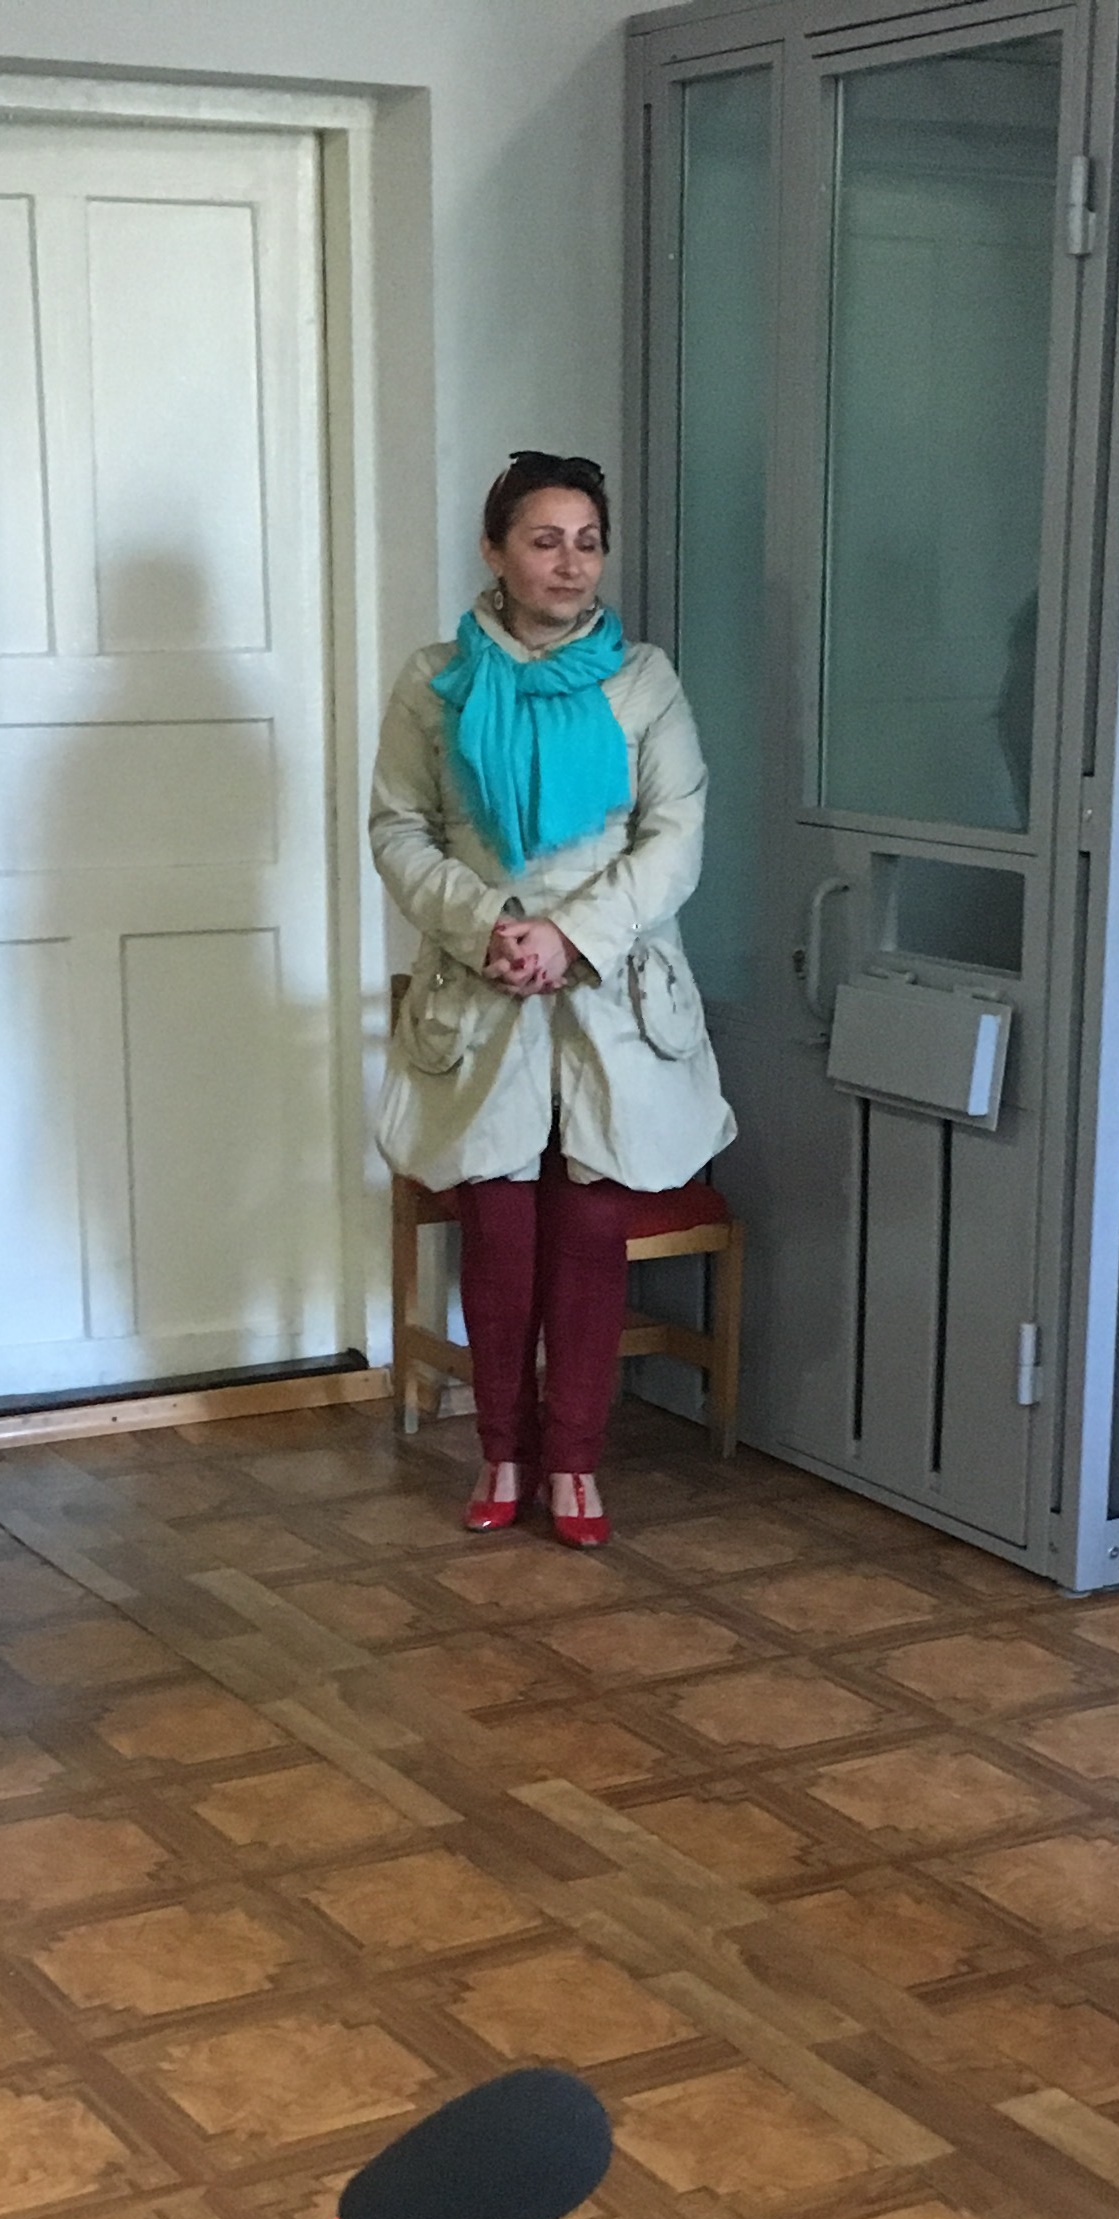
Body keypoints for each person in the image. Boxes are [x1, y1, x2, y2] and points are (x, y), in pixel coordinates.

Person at [369, 450, 735, 1550]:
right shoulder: (433, 680)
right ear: (494, 551)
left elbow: (674, 837)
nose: (570, 564)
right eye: (544, 540)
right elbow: (398, 829)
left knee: (589, 1228)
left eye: (587, 542)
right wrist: (490, 926)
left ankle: (575, 1462)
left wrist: (568, 936)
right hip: (481, 989)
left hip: (611, 996)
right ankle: (503, 1451)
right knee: (499, 1228)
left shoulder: (645, 680)